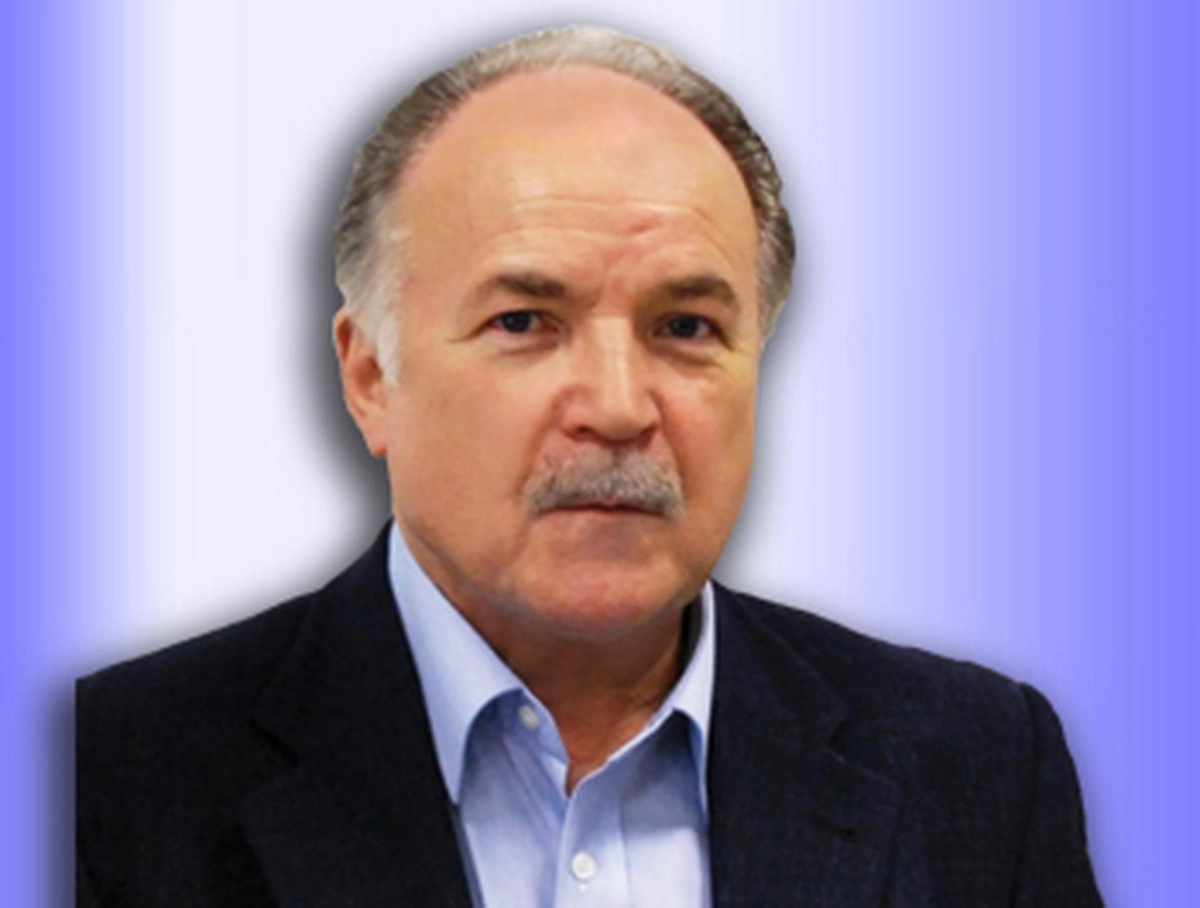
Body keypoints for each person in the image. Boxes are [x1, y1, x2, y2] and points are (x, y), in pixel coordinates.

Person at [76, 25, 1102, 907]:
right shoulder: (107, 771)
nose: (617, 406)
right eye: (525, 320)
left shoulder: (975, 764)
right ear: (371, 376)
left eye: (686, 327)